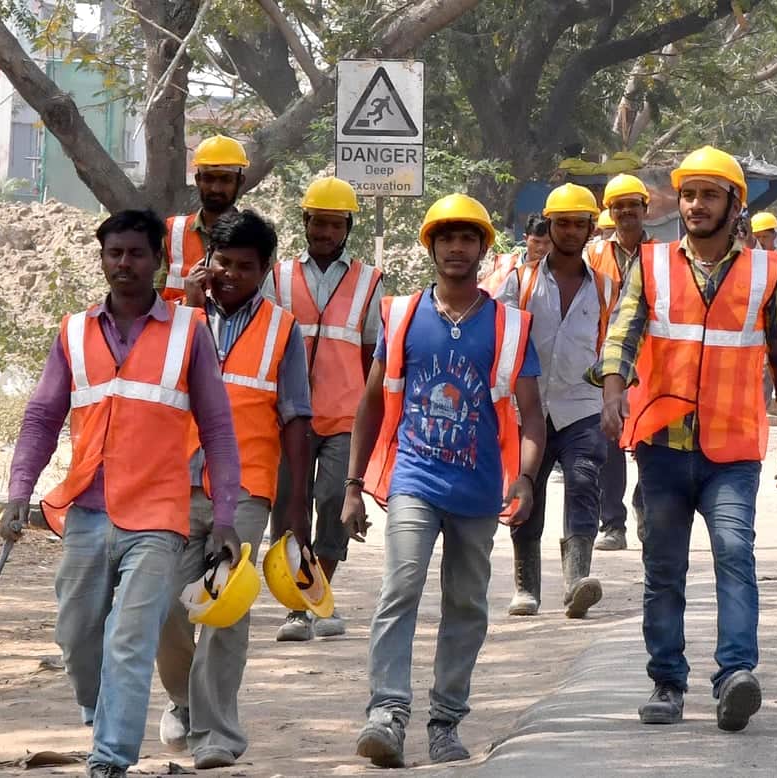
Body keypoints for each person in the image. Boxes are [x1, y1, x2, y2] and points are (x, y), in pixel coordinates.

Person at [2, 210, 241, 778]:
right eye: (115, 253)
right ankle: (100, 707)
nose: (124, 264)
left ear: (158, 261)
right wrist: (20, 489)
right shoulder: (74, 332)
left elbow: (219, 429)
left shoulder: (190, 332)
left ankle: (110, 759)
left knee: (129, 640)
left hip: (159, 516)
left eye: (136, 253)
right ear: (103, 258)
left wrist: (225, 515)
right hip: (86, 510)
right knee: (79, 638)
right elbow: (41, 416)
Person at [588, 145, 777, 732]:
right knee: (664, 568)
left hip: (733, 449)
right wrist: (612, 392)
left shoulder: (766, 270)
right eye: (688, 194)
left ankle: (736, 674)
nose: (695, 204)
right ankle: (667, 682)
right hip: (662, 446)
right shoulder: (652, 265)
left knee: (735, 555)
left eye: (709, 194)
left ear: (734, 204)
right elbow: (622, 335)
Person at [341, 194, 545, 768]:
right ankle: (386, 714)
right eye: (447, 237)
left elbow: (532, 412)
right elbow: (371, 404)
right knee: (400, 588)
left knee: (465, 604)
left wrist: (526, 477)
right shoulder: (401, 315)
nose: (457, 247)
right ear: (430, 245)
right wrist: (353, 485)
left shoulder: (509, 324)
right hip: (414, 478)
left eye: (468, 237)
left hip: (480, 490)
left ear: (484, 247)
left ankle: (445, 722)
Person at [155, 211, 312, 769]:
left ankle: (218, 734)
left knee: (225, 607)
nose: (231, 275)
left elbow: (296, 418)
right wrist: (189, 310)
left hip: (247, 490)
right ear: (206, 261)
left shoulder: (282, 328)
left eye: (246, 267)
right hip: (172, 485)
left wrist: (295, 505)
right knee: (167, 607)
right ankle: (184, 705)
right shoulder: (173, 319)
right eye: (223, 262)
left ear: (266, 270)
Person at [261, 177, 383, 641]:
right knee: (290, 507)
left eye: (334, 224)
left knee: (334, 500)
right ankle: (298, 606)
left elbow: (373, 353)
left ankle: (316, 595)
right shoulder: (279, 278)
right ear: (305, 223)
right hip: (290, 414)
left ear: (347, 227)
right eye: (317, 223)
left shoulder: (369, 280)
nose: (324, 232)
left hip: (344, 414)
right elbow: (266, 341)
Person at [498, 183, 618, 617]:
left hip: (582, 405)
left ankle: (576, 582)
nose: (569, 231)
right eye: (562, 223)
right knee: (527, 491)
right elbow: (500, 336)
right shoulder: (519, 281)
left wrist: (612, 399)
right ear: (548, 225)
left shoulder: (605, 288)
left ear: (590, 229)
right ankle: (526, 586)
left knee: (585, 481)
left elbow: (615, 346)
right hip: (527, 407)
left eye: (578, 224)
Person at [589, 173, 655, 552]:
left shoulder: (664, 255)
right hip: (607, 364)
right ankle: (612, 524)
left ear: (645, 209)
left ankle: (646, 508)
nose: (626, 211)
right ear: (609, 212)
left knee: (648, 440)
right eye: (619, 206)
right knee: (609, 442)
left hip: (650, 364)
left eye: (633, 204)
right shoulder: (592, 255)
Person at [158, 135, 249, 302]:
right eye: (209, 178)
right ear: (198, 180)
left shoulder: (255, 236)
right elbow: (152, 299)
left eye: (225, 179)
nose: (216, 188)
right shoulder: (172, 232)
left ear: (240, 181)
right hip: (181, 326)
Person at [479, 214, 551, 294]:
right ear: (525, 239)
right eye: (536, 241)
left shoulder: (557, 272)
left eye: (547, 242)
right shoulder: (504, 266)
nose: (541, 247)